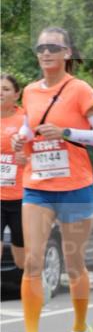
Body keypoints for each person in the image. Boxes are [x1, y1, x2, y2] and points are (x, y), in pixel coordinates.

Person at [9, 28, 93, 332]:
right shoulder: (29, 91)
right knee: (33, 262)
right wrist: (19, 142)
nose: (46, 52)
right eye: (41, 47)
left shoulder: (80, 89)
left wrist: (67, 133)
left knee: (73, 265)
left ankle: (80, 328)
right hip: (37, 186)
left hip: (74, 187)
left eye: (53, 46)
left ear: (67, 52)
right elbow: (30, 127)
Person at [1, 74, 27, 277]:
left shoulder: (25, 119)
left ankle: (36, 281)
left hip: (22, 196)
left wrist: (26, 158)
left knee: (21, 259)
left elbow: (40, 150)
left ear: (17, 94)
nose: (1, 92)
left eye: (6, 89)